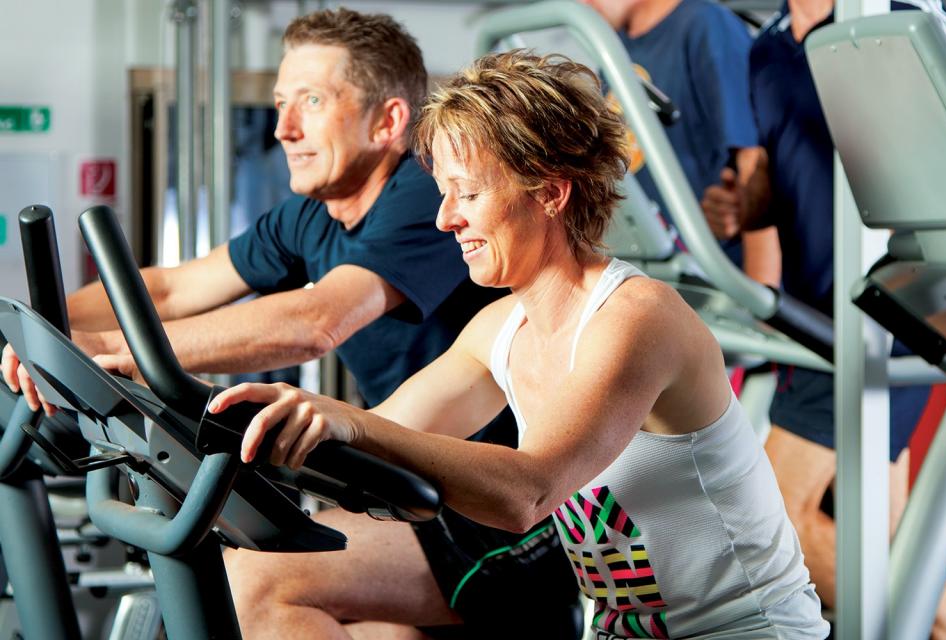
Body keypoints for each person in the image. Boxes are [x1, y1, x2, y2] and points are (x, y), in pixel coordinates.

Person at [211, 50, 830, 640]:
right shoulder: (499, 330)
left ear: (550, 193)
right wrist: (230, 437)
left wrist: (346, 423)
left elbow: (527, 493)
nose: (444, 219)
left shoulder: (637, 318)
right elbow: (379, 441)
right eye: (444, 193)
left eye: (469, 193)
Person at [2, 9, 580, 639]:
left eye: (310, 100)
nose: (283, 128)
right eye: (279, 103)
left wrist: (106, 353)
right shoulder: (309, 217)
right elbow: (170, 288)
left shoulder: (426, 198)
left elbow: (320, 319)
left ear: (387, 122)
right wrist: (35, 331)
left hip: (508, 512)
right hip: (414, 491)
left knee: (253, 580)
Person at [700, 1, 946, 636]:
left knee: (771, 521)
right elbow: (767, 181)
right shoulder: (766, 51)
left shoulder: (895, 25)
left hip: (888, 313)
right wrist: (739, 206)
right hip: (817, 318)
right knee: (886, 534)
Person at [582, 0, 781, 288]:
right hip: (653, 280)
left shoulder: (705, 26)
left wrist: (763, 306)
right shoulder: (613, 49)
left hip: (715, 285)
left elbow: (755, 164)